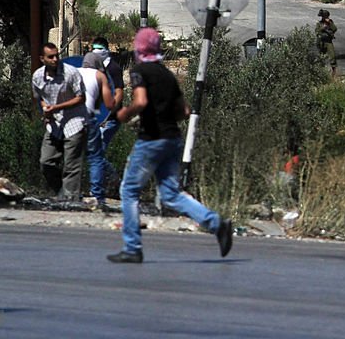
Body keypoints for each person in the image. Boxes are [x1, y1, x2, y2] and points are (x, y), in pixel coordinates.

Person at [109, 28, 232, 263]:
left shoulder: (140, 71)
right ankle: (217, 224)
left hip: (151, 139)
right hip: (172, 139)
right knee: (171, 194)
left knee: (129, 190)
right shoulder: (167, 74)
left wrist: (124, 114)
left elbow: (141, 101)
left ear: (139, 47)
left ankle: (133, 247)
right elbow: (184, 111)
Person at [31, 42, 87, 201]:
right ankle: (61, 192)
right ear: (42, 59)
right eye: (51, 57)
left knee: (71, 165)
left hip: (74, 122)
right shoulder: (37, 77)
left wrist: (56, 107)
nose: (55, 59)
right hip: (54, 124)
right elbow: (39, 97)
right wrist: (46, 108)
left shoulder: (71, 73)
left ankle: (70, 200)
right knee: (46, 162)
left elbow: (81, 98)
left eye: (57, 55)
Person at [88, 37, 124, 201]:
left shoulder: (114, 68)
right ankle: (111, 181)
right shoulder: (94, 68)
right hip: (96, 117)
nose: (97, 51)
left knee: (97, 152)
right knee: (95, 153)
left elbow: (119, 94)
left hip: (110, 119)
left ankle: (100, 189)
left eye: (99, 47)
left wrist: (107, 116)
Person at [79, 53, 114, 210]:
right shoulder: (99, 75)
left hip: (68, 118)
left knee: (71, 156)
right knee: (95, 158)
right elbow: (109, 103)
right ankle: (97, 196)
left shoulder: (72, 71)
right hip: (87, 117)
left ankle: (70, 192)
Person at [316, 9, 337, 77]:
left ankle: (334, 72)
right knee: (321, 56)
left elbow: (334, 29)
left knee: (332, 56)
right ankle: (320, 71)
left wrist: (329, 23)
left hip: (328, 41)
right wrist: (322, 28)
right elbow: (317, 32)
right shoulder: (319, 23)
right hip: (321, 41)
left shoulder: (330, 22)